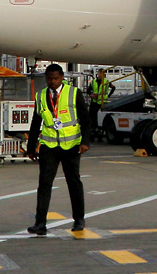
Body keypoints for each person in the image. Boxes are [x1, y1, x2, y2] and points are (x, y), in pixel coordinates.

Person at [26, 64, 90, 235]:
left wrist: (85, 142)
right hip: (49, 146)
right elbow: (35, 122)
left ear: (62, 77)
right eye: (49, 79)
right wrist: (31, 147)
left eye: (55, 78)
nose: (52, 82)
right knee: (44, 184)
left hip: (71, 145)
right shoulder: (40, 96)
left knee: (73, 182)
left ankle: (78, 220)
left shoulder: (73, 93)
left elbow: (85, 118)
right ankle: (40, 223)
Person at [88, 68, 113, 142]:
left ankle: (100, 135)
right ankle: (92, 134)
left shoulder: (106, 82)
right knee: (92, 117)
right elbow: (88, 90)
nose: (100, 75)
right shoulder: (93, 82)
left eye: (102, 73)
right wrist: (91, 94)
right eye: (99, 73)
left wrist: (108, 96)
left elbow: (113, 88)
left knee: (100, 119)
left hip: (102, 103)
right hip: (94, 102)